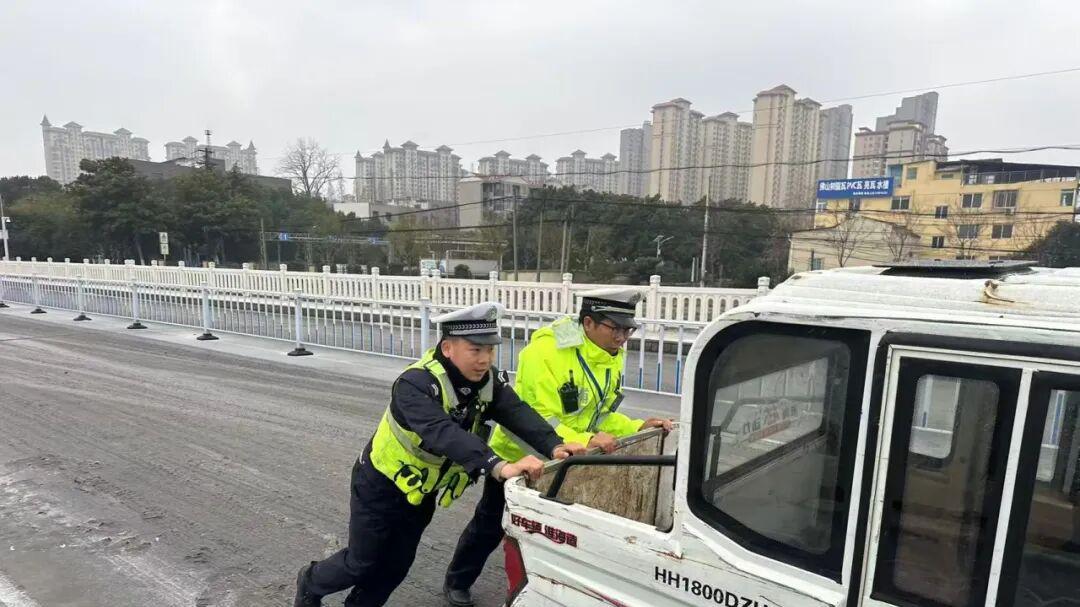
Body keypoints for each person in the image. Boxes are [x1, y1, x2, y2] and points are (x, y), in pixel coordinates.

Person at [293, 302, 586, 607]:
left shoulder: (486, 382)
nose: (485, 359)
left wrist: (554, 444)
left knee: (396, 566)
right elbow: (441, 432)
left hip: (420, 490)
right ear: (448, 348)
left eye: (490, 350)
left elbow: (515, 411)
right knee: (361, 562)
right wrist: (497, 465)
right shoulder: (415, 384)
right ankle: (311, 581)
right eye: (475, 350)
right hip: (379, 485)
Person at [443, 288, 673, 606]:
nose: (622, 338)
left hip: (575, 457)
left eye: (628, 330)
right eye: (616, 328)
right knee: (490, 524)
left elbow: (600, 414)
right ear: (589, 323)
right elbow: (536, 418)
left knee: (564, 529)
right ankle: (458, 580)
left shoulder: (610, 355)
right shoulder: (546, 352)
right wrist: (584, 440)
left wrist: (636, 426)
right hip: (522, 456)